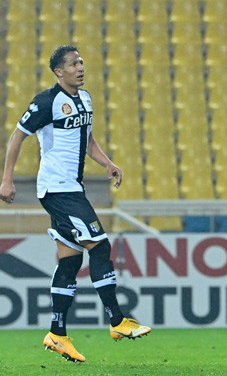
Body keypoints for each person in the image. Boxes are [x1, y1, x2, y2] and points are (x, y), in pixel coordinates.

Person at [0, 45, 151, 362]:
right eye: (72, 63)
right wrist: (7, 179)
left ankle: (57, 334)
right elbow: (17, 136)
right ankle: (117, 320)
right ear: (59, 72)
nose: (80, 67)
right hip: (57, 189)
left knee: (70, 260)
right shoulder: (46, 101)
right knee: (100, 245)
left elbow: (87, 139)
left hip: (72, 188)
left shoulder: (85, 99)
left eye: (81, 61)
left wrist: (107, 163)